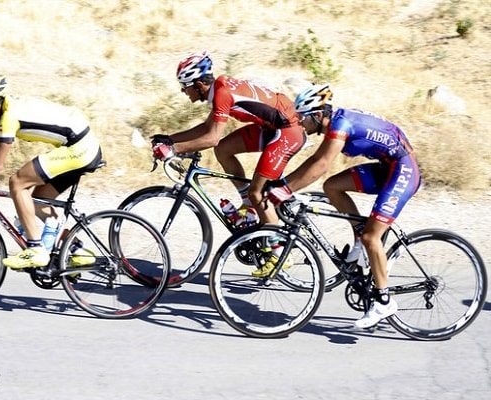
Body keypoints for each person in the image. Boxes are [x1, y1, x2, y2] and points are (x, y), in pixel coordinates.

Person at [266, 83, 421, 328]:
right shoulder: (336, 123)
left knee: (373, 237)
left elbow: (320, 164)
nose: (300, 123)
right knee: (333, 186)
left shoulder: (340, 126)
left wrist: (285, 189)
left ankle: (383, 301)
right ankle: (360, 236)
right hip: (387, 166)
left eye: (303, 118)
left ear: (318, 115)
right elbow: (315, 161)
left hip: (403, 170)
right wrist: (284, 184)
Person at [151, 51, 306, 276]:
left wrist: (173, 150)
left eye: (185, 86)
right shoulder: (220, 89)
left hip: (287, 131)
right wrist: (170, 139)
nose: (184, 92)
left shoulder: (222, 93)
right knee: (223, 149)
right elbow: (208, 130)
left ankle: (279, 251)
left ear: (197, 84)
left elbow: (210, 137)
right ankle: (249, 208)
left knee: (257, 192)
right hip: (273, 127)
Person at [0, 75, 101, 269]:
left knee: (17, 183)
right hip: (82, 145)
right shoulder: (8, 109)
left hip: (79, 148)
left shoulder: (9, 117)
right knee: (37, 200)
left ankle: (35, 249)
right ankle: (76, 250)